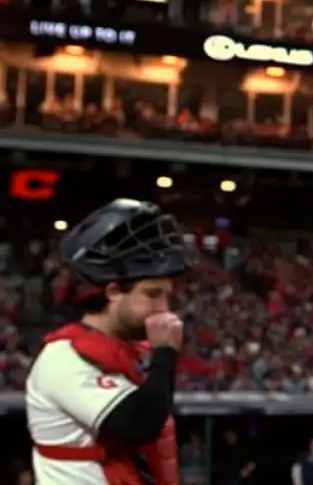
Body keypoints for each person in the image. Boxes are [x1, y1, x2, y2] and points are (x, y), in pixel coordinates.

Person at [26, 198, 194, 485]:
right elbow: (139, 424)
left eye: (167, 296)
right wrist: (164, 353)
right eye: (152, 294)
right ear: (114, 291)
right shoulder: (64, 358)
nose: (165, 308)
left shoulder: (122, 351)